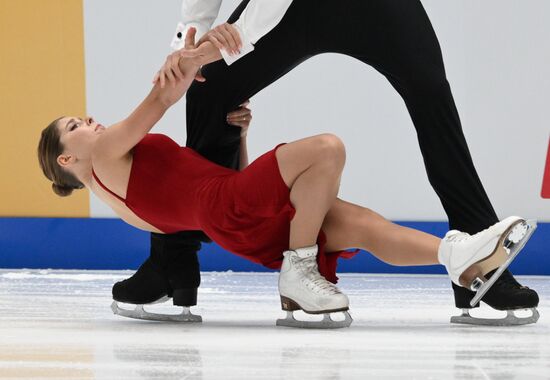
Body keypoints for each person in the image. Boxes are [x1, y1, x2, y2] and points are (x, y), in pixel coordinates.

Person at [37, 29, 535, 328]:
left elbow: (200, 191)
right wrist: (188, 58)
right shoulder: (103, 154)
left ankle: (459, 258)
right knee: (326, 149)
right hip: (230, 208)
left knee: (358, 224)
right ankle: (299, 274)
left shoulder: (120, 203)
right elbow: (160, 102)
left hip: (236, 223)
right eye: (75, 126)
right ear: (65, 161)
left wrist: (243, 140)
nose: (90, 123)